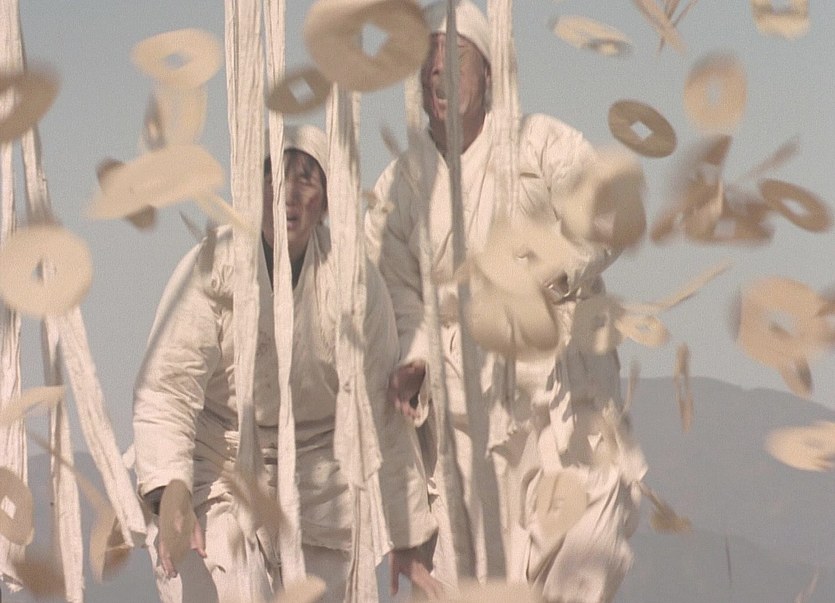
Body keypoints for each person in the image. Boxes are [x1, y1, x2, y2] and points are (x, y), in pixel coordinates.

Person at [365, 1, 646, 601]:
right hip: (469, 420)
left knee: (587, 548)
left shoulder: (537, 142)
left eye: (457, 55)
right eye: (428, 59)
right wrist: (415, 355)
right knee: (488, 579)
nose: (439, 69)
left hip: (565, 397)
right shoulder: (401, 186)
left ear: (487, 72)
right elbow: (394, 293)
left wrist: (557, 268)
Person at [133, 125, 436, 602]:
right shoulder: (214, 266)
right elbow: (167, 388)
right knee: (232, 586)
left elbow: (380, 409)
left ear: (326, 202)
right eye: (274, 176)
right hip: (220, 461)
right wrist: (169, 487)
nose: (288, 193)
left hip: (320, 480)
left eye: (306, 179)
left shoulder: (354, 281)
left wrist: (408, 533)